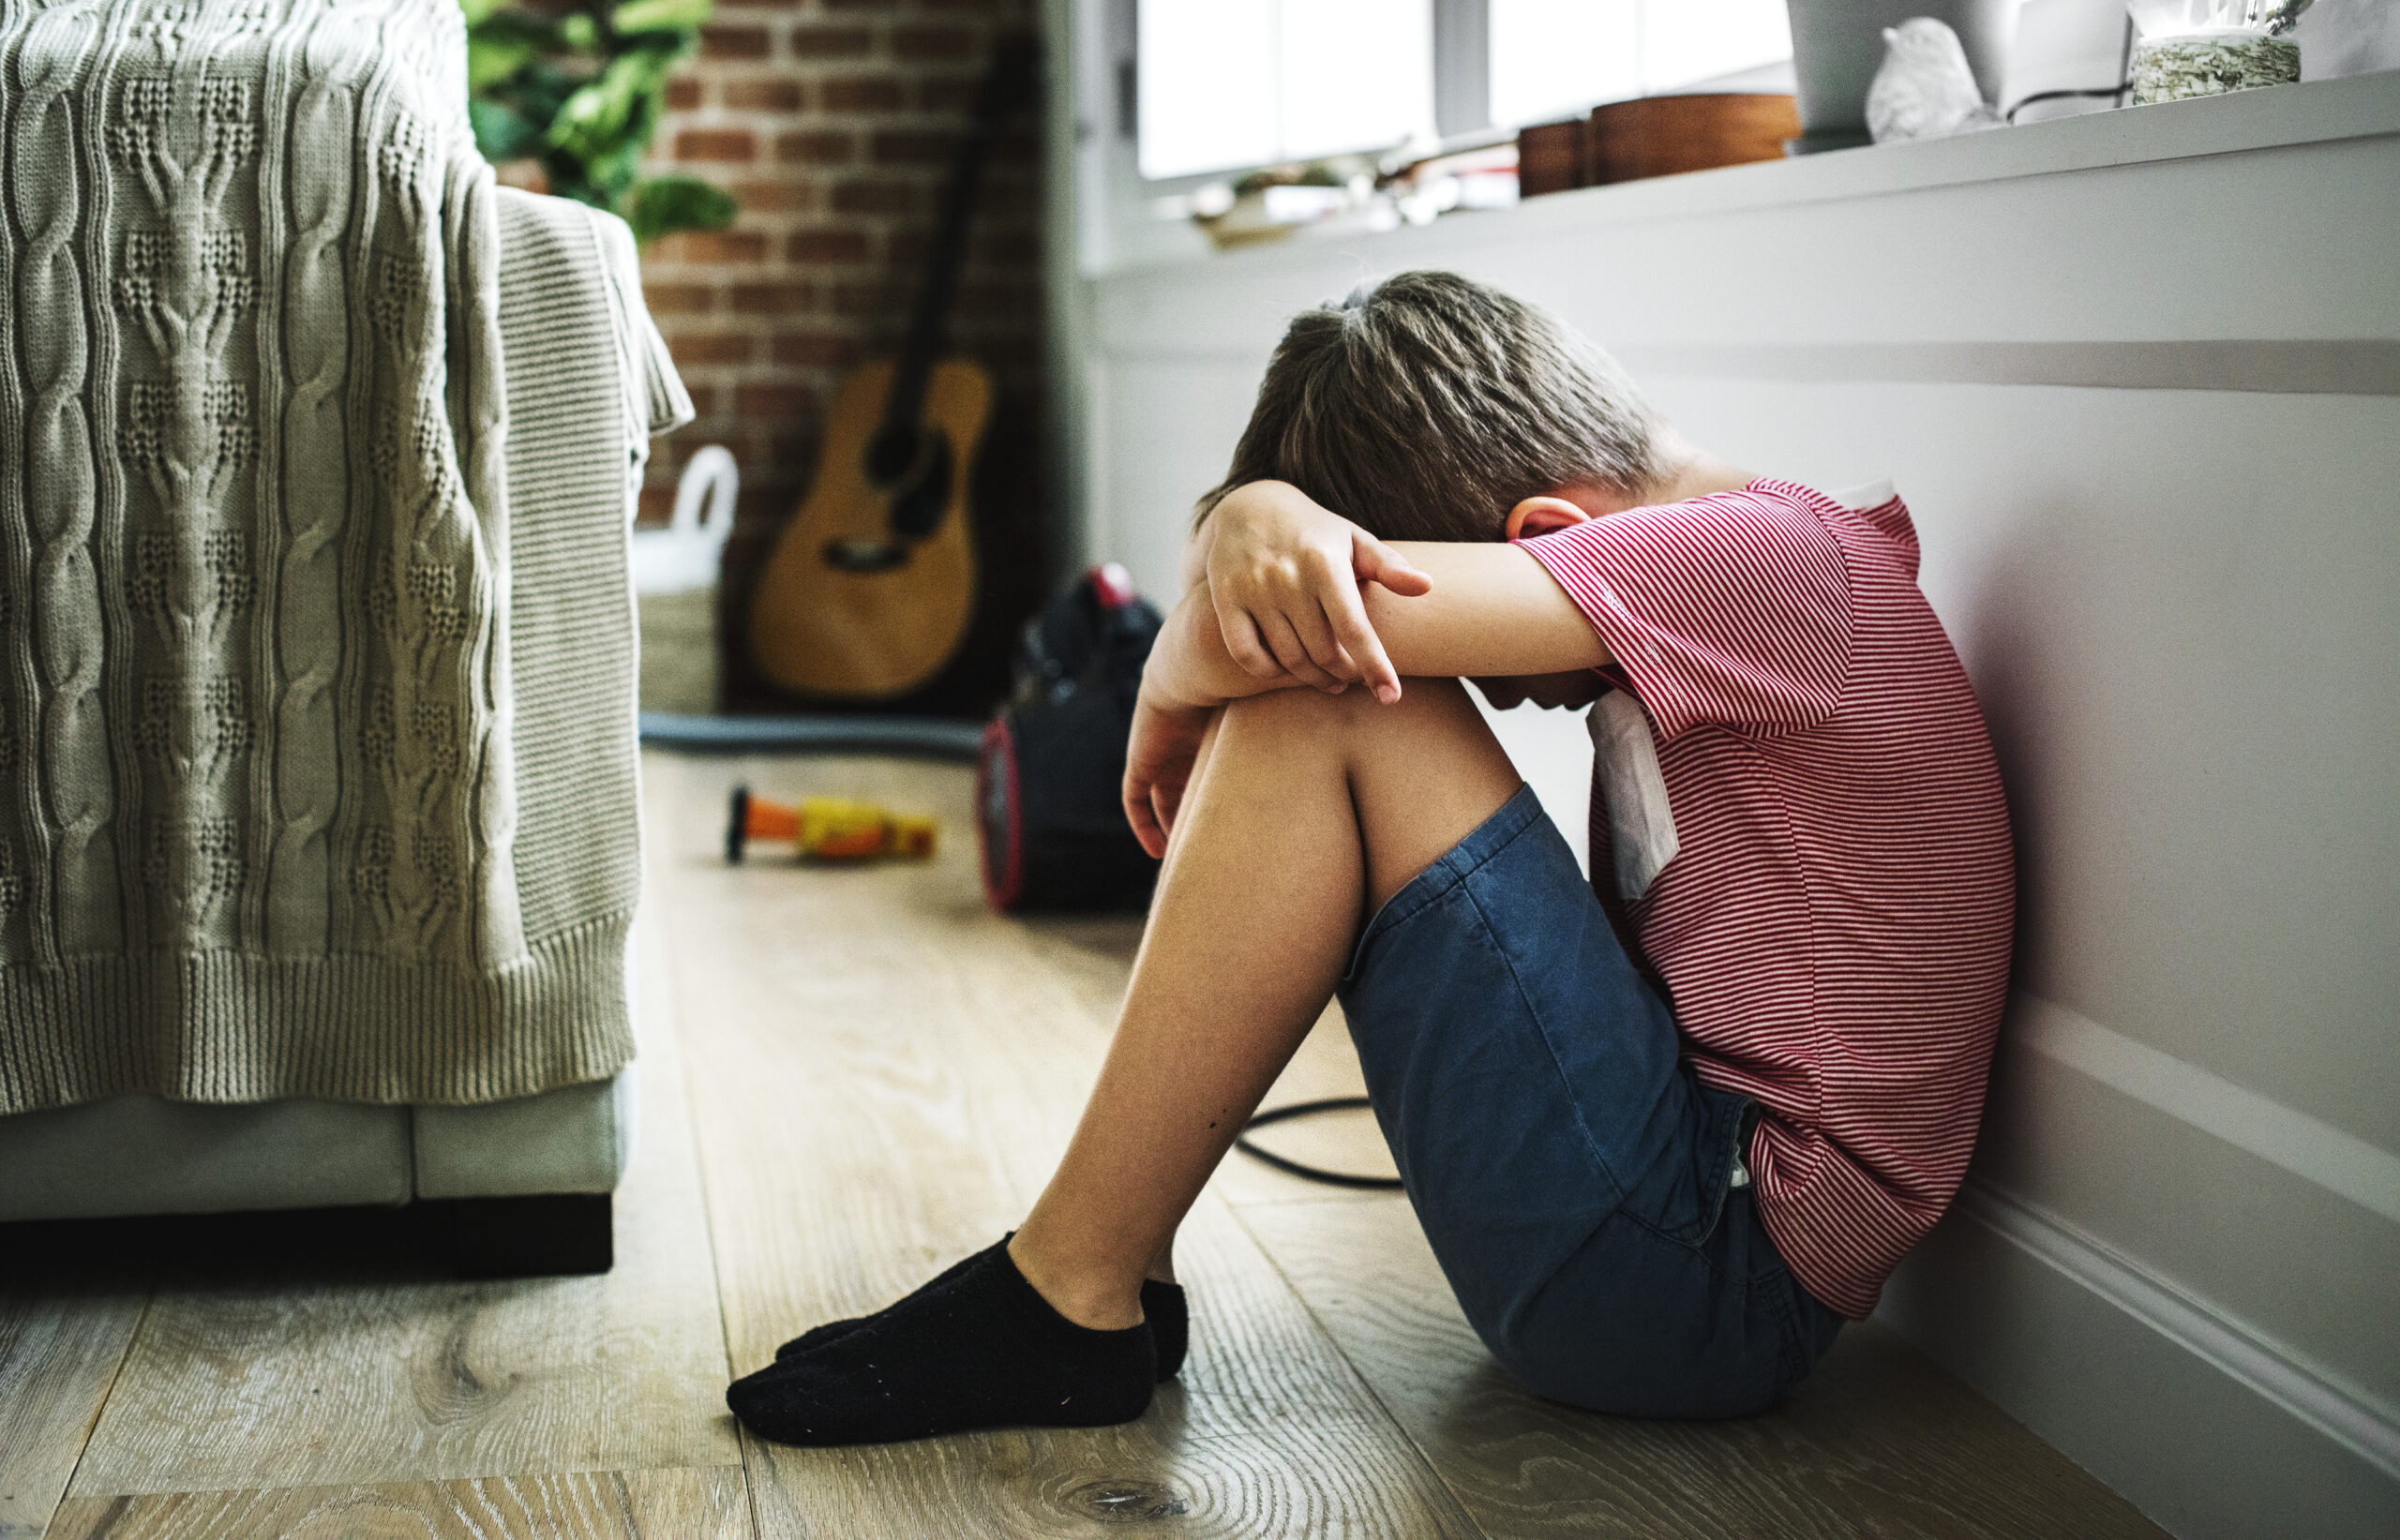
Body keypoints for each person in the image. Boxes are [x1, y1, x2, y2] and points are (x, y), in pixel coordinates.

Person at [727, 271, 2015, 1445]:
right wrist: (1253, 521)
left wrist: (1167, 681)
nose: (1514, 701)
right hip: (1689, 1225)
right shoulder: (1763, 562)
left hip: (1699, 1273)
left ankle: (1065, 1290)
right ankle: (1117, 1261)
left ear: (1544, 529)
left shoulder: (1758, 565)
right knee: (1328, 672)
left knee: (1331, 693)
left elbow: (1290, 646)